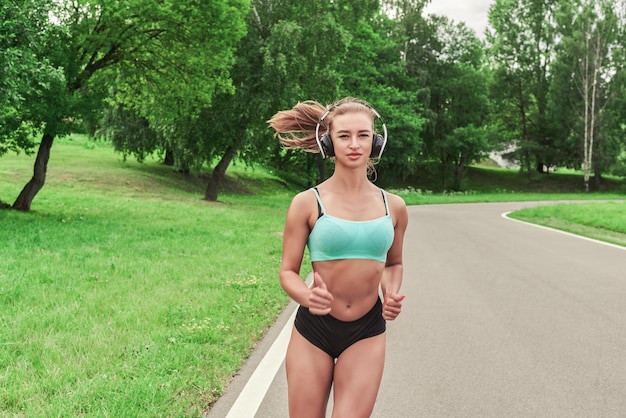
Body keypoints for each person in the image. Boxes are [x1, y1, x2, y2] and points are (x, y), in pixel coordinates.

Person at [267, 97, 408, 418]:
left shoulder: (394, 206)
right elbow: (287, 272)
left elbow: (394, 262)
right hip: (313, 331)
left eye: (364, 135)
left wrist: (392, 290)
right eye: (344, 135)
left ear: (377, 141)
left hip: (366, 332)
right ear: (328, 141)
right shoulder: (306, 203)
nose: (355, 144)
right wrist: (306, 296)